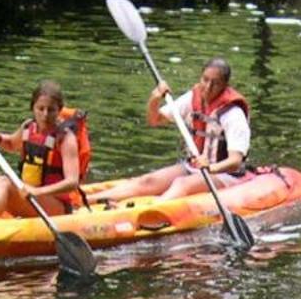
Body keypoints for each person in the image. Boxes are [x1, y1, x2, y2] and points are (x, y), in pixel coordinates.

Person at [98, 57, 251, 203]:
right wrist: (154, 99)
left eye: (215, 83)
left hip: (224, 174)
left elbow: (235, 162)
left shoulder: (233, 113)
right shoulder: (193, 98)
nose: (208, 87)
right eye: (205, 80)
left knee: (181, 184)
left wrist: (210, 167)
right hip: (195, 167)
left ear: (225, 85)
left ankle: (150, 211)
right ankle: (84, 200)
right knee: (148, 181)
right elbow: (155, 120)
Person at [0, 80, 90, 220]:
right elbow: (11, 143)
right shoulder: (28, 127)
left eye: (51, 110)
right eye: (40, 109)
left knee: (5, 183)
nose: (45, 115)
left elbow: (72, 182)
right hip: (31, 196)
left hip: (57, 206)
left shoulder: (65, 138)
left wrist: (37, 191)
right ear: (33, 108)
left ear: (59, 109)